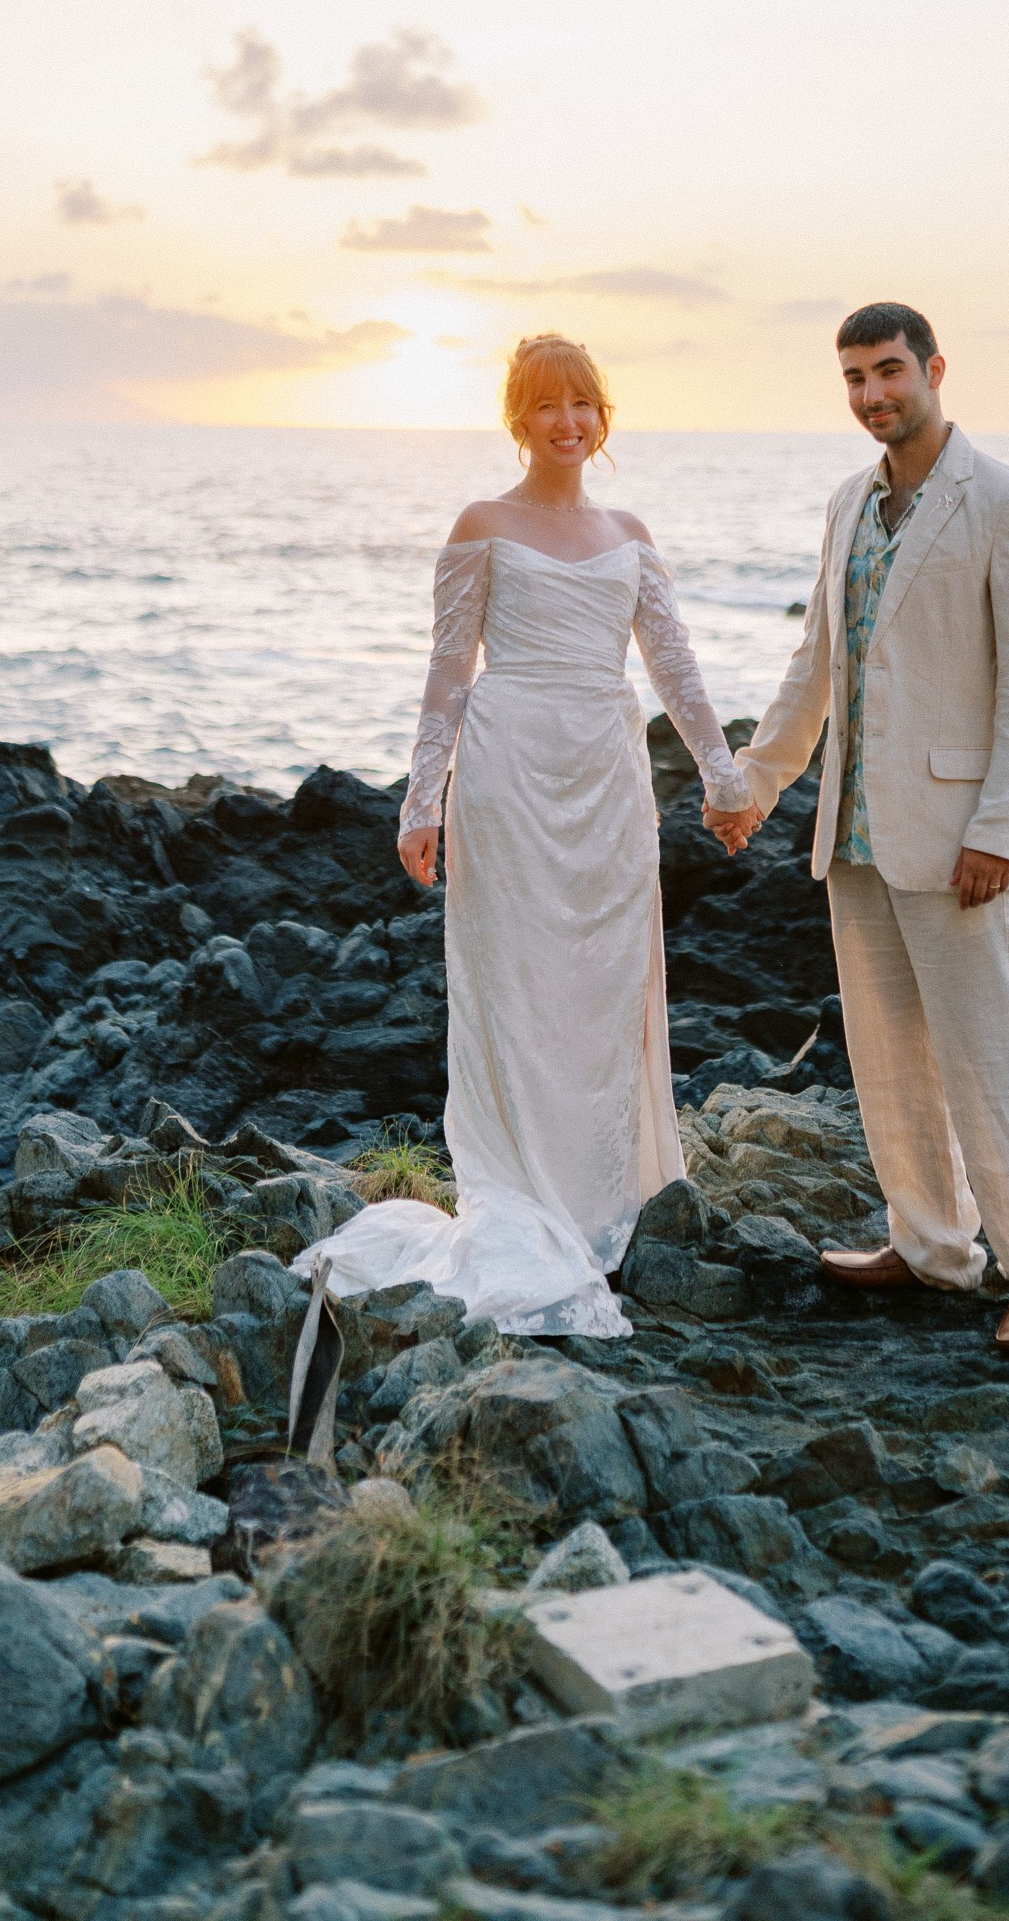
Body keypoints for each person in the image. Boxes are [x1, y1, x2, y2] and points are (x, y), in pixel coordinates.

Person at [303, 333, 753, 1337]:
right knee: (514, 980)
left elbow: (674, 669)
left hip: (604, 771)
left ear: (603, 416)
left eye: (583, 405)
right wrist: (422, 802)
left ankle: (603, 1201)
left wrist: (724, 777)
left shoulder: (630, 533)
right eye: (547, 406)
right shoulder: (481, 525)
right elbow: (447, 672)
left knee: (602, 979)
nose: (567, 423)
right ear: (518, 419)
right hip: (506, 773)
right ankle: (518, 1199)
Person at [709, 302, 1009, 1353]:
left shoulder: (1005, 502)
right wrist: (755, 783)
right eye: (853, 379)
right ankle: (930, 1248)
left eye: (888, 372)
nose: (872, 395)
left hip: (961, 834)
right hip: (857, 834)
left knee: (986, 1058)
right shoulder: (843, 506)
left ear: (932, 370)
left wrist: (1000, 830)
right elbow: (814, 668)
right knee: (887, 1057)